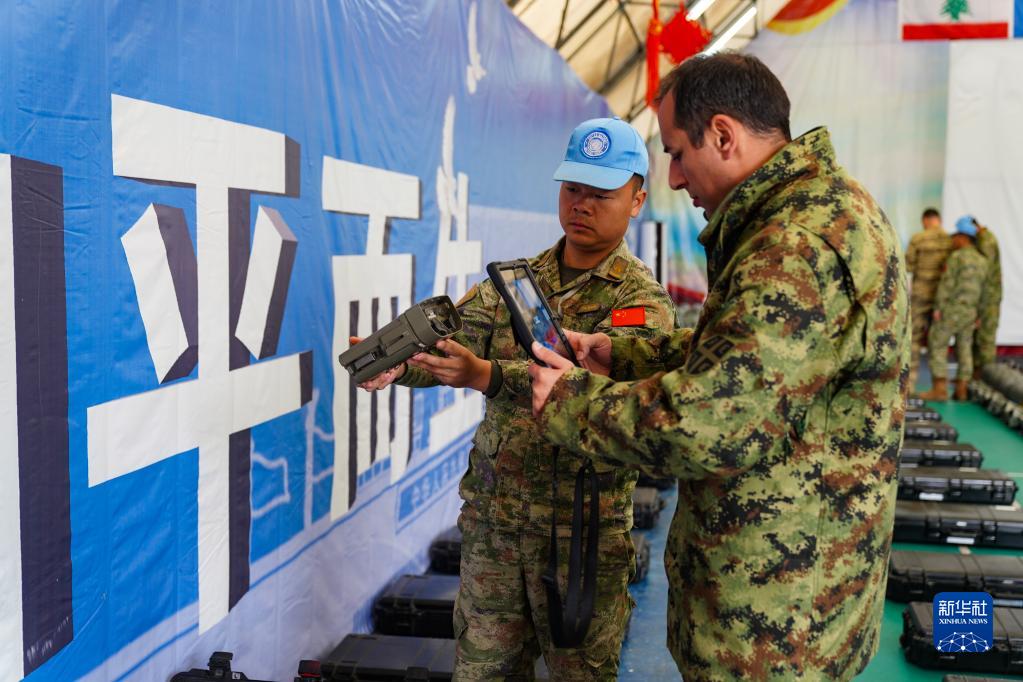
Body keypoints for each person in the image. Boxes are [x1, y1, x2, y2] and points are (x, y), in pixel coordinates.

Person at [528, 53, 909, 680]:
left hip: (775, 622)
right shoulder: (817, 211)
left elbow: (709, 423)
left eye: (678, 153)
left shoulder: (793, 244)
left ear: (724, 135)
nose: (676, 178)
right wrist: (623, 354)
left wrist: (570, 400)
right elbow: (757, 361)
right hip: (790, 597)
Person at [354, 117, 676, 680]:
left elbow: (595, 390)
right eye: (572, 189)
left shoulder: (641, 305)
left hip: (581, 540)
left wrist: (487, 375)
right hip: (495, 528)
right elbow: (454, 347)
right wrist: (399, 362)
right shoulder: (517, 281)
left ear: (637, 200)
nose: (582, 204)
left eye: (601, 194)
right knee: (483, 672)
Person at [920, 216, 990, 401]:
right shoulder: (983, 261)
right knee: (965, 349)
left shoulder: (957, 257)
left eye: (956, 236)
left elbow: (947, 284)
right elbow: (985, 291)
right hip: (970, 312)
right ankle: (962, 390)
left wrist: (938, 308)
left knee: (937, 343)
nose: (954, 240)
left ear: (964, 237)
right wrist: (979, 314)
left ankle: (939, 389)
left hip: (951, 310)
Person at [905, 207, 952, 393]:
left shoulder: (918, 238)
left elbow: (908, 265)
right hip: (942, 297)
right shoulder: (950, 241)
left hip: (921, 295)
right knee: (938, 341)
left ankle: (909, 385)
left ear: (925, 220)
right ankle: (939, 387)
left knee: (913, 339)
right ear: (938, 220)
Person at [972, 217, 1002, 375]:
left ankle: (987, 377)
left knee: (986, 339)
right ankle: (978, 377)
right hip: (984, 296)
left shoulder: (986, 241)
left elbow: (984, 269)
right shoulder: (984, 238)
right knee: (979, 339)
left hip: (988, 298)